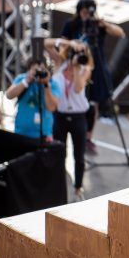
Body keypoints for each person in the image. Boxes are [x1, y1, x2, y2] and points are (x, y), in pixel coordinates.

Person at [61, 0, 125, 155]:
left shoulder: (98, 25)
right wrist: (73, 45)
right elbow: (62, 43)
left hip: (95, 67)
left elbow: (120, 33)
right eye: (83, 12)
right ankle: (76, 134)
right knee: (79, 100)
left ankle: (88, 136)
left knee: (94, 104)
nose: (86, 15)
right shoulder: (71, 24)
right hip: (76, 66)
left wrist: (105, 24)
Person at [45, 37, 93, 201]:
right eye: (78, 51)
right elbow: (45, 44)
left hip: (79, 117)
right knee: (59, 152)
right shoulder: (60, 63)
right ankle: (57, 184)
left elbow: (79, 88)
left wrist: (77, 66)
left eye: (83, 51)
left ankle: (78, 187)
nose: (80, 54)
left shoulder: (85, 68)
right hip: (60, 116)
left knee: (78, 155)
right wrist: (67, 43)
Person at [5, 57, 60, 138]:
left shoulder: (52, 83)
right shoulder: (22, 78)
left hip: (44, 134)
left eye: (41, 69)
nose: (38, 73)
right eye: (35, 70)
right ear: (29, 70)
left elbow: (51, 107)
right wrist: (26, 81)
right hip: (21, 132)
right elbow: (9, 95)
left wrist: (46, 84)